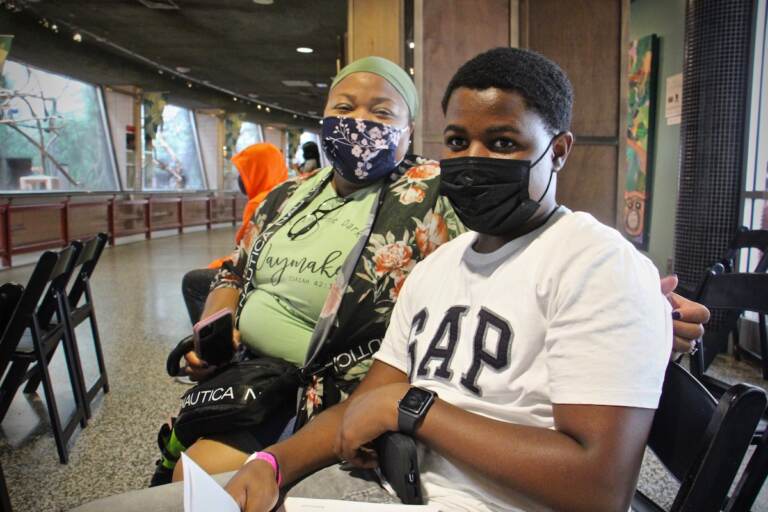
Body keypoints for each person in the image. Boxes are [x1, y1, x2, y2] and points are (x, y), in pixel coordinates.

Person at [69, 52, 707, 512]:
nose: (473, 161)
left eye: (504, 143)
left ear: (558, 151)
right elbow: (370, 398)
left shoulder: (439, 202)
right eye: (458, 140)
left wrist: (643, 305)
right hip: (383, 477)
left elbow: (598, 487)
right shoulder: (423, 263)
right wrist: (270, 466)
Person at [181, 142, 288, 325]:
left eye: (244, 173)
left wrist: (218, 265)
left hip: (261, 278)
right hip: (283, 273)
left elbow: (246, 255)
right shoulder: (289, 193)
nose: (241, 179)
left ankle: (211, 343)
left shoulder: (260, 202)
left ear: (258, 171)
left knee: (193, 281)